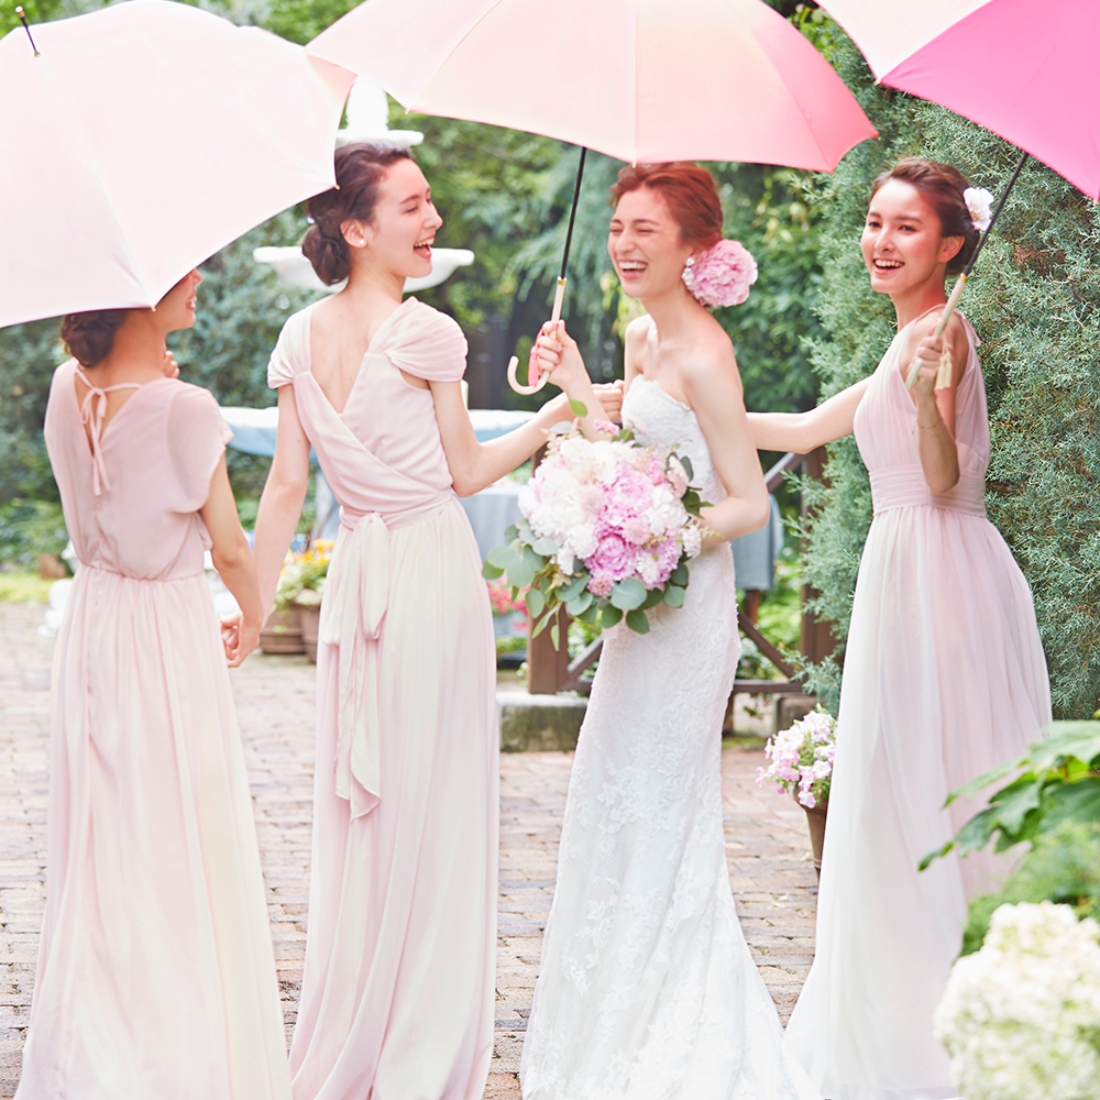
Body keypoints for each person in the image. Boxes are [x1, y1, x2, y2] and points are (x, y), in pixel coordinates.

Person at [252, 143, 613, 1100]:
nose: (434, 220)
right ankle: (417, 1030)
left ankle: (361, 1025)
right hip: (425, 566)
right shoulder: (427, 332)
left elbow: (285, 487)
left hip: (359, 573)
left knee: (367, 803)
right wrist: (555, 417)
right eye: (412, 206)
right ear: (356, 228)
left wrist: (251, 600)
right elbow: (466, 472)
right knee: (436, 796)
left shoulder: (298, 333)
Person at [748, 158, 1052, 1099]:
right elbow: (802, 428)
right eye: (875, 223)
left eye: (906, 227)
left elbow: (943, 475)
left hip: (940, 578)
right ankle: (922, 1013)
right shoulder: (906, 338)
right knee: (902, 788)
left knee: (935, 785)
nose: (881, 241)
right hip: (907, 571)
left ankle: (950, 1032)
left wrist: (927, 398)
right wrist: (666, 401)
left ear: (952, 245)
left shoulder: (942, 333)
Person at [518, 162, 819, 1100]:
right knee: (609, 798)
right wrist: (575, 383)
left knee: (662, 810)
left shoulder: (706, 356)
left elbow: (746, 503)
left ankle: (676, 1030)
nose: (624, 244)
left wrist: (657, 538)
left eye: (645, 229)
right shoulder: (641, 335)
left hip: (687, 613)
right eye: (618, 226)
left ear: (694, 246)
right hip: (640, 611)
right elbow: (621, 455)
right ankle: (607, 1023)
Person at [19, 271, 291, 1100]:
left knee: (103, 831)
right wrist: (254, 613)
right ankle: (169, 1042)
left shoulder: (65, 388)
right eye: (185, 269)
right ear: (135, 291)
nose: (201, 277)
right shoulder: (187, 408)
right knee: (176, 829)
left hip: (97, 618)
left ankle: (96, 1031)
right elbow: (230, 545)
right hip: (166, 630)